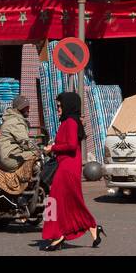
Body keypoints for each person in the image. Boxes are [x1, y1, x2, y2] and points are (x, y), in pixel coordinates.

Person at [41, 91, 102, 251]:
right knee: (68, 202)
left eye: (60, 106)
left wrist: (52, 148)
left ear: (68, 106)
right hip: (67, 165)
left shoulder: (70, 122)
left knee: (54, 200)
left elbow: (70, 145)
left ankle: (57, 234)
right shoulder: (70, 122)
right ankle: (92, 227)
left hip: (68, 167)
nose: (58, 109)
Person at [0, 95, 40, 195]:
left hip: (9, 155)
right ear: (19, 109)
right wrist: (39, 150)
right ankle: (29, 191)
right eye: (26, 107)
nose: (28, 110)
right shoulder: (15, 122)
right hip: (10, 158)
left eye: (28, 107)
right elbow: (26, 142)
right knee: (38, 159)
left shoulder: (13, 119)